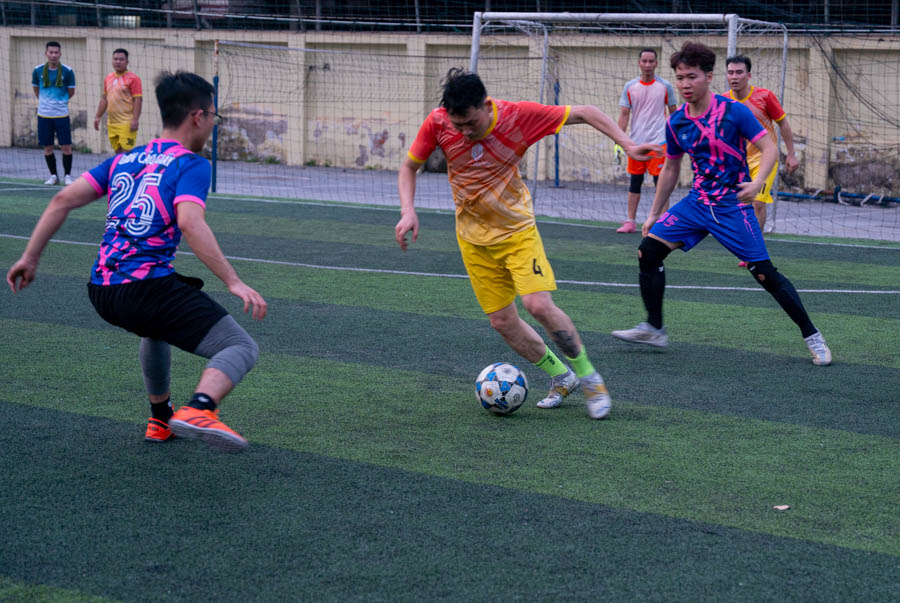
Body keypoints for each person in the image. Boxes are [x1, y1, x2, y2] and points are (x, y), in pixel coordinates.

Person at [7, 71, 268, 452]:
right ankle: (200, 408)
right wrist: (233, 281)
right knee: (240, 347)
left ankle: (160, 419)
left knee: (155, 326)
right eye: (213, 115)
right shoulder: (192, 164)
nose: (213, 123)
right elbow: (190, 222)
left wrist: (30, 258)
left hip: (101, 291)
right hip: (145, 289)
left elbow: (61, 200)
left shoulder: (125, 159)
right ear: (197, 116)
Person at [395, 68, 661, 419]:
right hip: (473, 240)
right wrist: (408, 210)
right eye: (458, 126)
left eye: (471, 123)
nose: (464, 132)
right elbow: (409, 166)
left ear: (485, 105)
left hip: (517, 231)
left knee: (537, 304)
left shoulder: (518, 116)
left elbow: (585, 112)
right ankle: (562, 377)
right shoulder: (438, 122)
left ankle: (590, 378)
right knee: (502, 322)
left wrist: (627, 144)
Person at [610, 42, 832, 367]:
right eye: (680, 78)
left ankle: (813, 336)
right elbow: (671, 168)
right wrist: (654, 213)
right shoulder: (677, 122)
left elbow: (769, 148)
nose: (685, 84)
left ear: (709, 77)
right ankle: (654, 328)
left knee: (764, 273)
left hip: (732, 205)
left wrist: (758, 183)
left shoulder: (733, 111)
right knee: (648, 251)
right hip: (697, 203)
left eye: (692, 77)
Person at [725, 55, 799, 266]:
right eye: (731, 72)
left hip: (764, 158)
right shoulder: (723, 101)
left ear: (748, 75)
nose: (734, 76)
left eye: (739, 72)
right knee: (739, 205)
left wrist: (791, 154)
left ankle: (754, 252)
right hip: (739, 162)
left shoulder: (765, 96)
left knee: (757, 203)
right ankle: (747, 244)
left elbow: (783, 124)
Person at [615, 48, 677, 234]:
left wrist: (675, 139)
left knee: (661, 184)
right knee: (635, 182)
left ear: (656, 63)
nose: (648, 65)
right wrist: (619, 141)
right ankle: (630, 221)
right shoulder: (630, 86)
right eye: (644, 61)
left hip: (659, 143)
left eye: (651, 61)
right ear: (639, 63)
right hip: (636, 144)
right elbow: (624, 115)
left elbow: (674, 113)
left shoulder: (665, 86)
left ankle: (663, 223)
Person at [32, 41, 76, 185]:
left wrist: (59, 102)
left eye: (56, 52)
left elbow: (71, 92)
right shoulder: (37, 70)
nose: (53, 55)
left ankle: (67, 176)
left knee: (66, 147)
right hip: (44, 115)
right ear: (46, 54)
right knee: (48, 147)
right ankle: (53, 176)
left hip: (61, 115)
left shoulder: (68, 71)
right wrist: (46, 102)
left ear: (60, 54)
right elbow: (36, 90)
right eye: (51, 52)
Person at [94, 48, 143, 153]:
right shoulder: (108, 78)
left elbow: (138, 100)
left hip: (127, 123)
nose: (118, 62)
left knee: (127, 154)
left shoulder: (134, 79)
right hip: (111, 124)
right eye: (115, 59)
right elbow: (104, 99)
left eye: (121, 59)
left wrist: (135, 120)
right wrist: (98, 116)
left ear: (127, 62)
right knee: (118, 154)